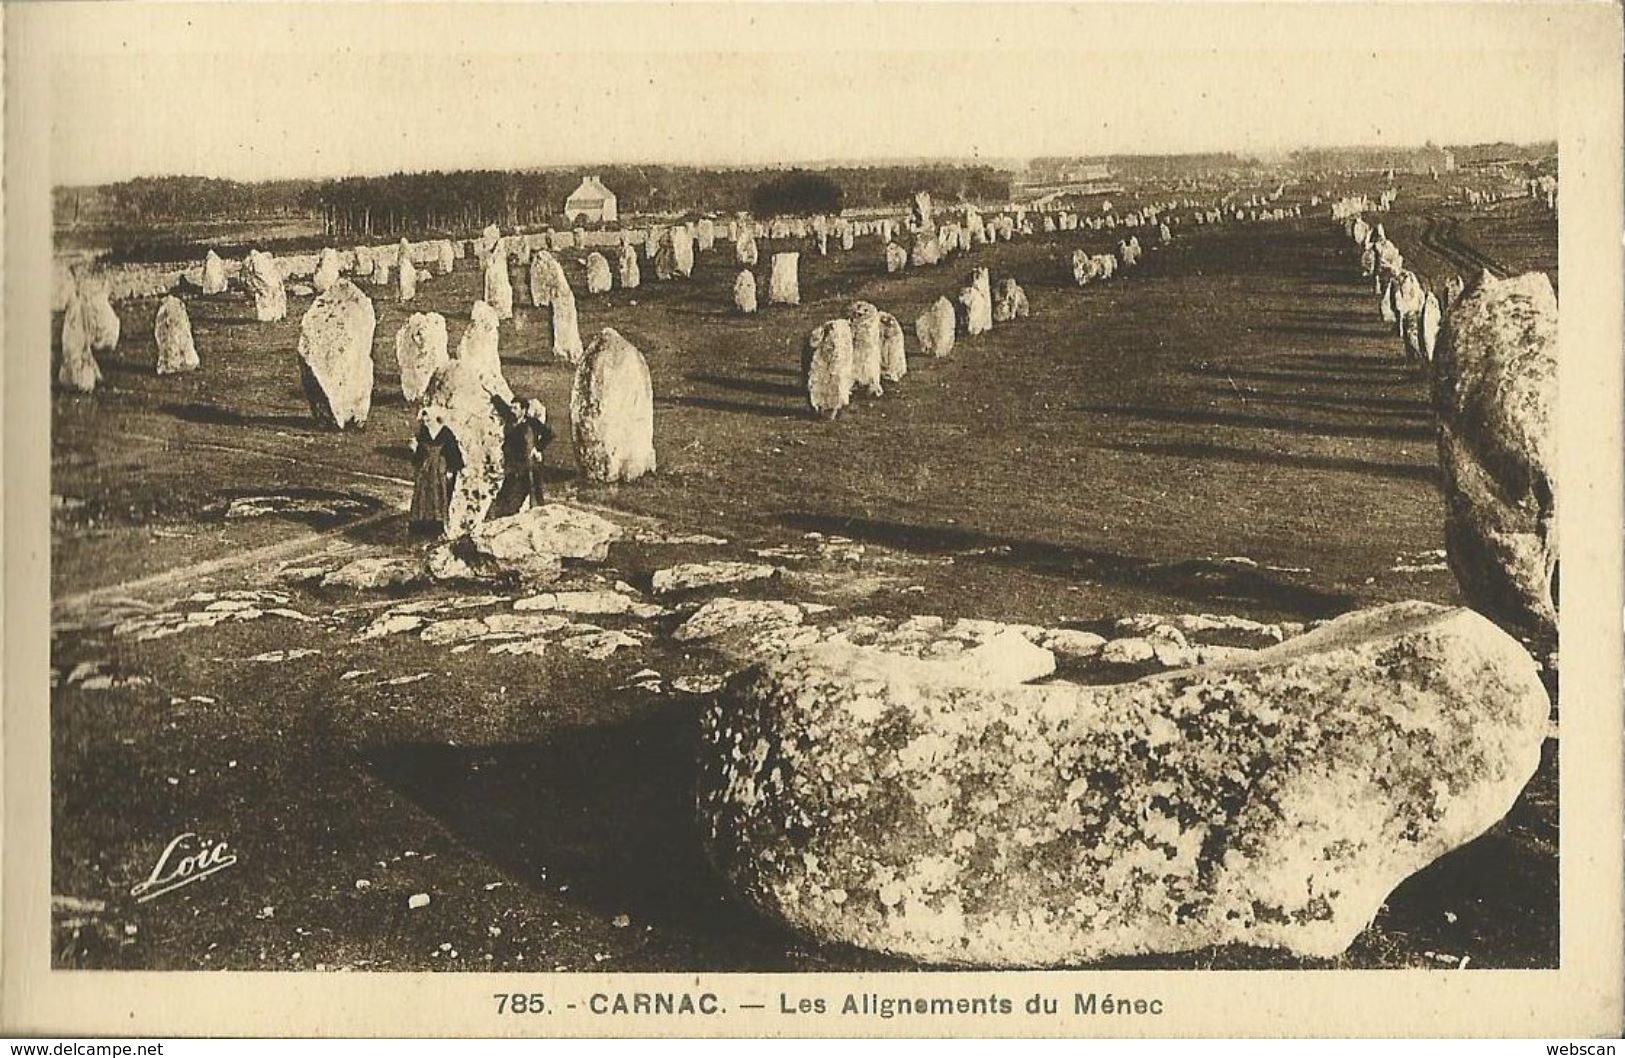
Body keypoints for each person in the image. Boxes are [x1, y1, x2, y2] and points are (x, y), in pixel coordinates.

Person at [487, 397, 556, 518]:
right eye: (511, 408)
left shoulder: (531, 423)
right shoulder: (511, 420)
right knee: (504, 499)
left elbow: (549, 434)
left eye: (515, 408)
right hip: (512, 468)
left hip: (527, 467)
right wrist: (494, 398)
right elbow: (502, 408)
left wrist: (538, 448)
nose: (512, 411)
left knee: (532, 498)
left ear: (523, 410)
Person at [409, 407, 462, 536]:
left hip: (440, 469)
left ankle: (436, 526)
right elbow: (421, 453)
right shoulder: (424, 432)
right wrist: (415, 451)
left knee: (439, 495)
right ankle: (420, 525)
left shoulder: (446, 433)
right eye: (424, 420)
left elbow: (453, 453)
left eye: (428, 419)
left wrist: (451, 470)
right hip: (426, 468)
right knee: (423, 494)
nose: (425, 422)